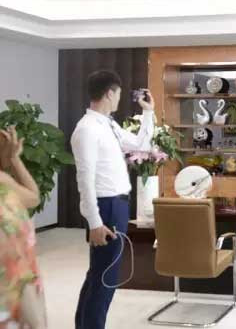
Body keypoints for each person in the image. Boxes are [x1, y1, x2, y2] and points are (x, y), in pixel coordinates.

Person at [71, 70, 155, 329]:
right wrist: (95, 223)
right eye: (118, 93)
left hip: (116, 205)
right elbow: (85, 180)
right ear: (109, 93)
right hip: (105, 207)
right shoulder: (87, 129)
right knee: (106, 277)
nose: (119, 98)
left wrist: (148, 113)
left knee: (99, 274)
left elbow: (141, 144)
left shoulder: (108, 124)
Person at [0, 126, 47, 329]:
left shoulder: (4, 182)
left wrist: (15, 159)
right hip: (13, 282)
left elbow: (33, 198)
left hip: (21, 277)